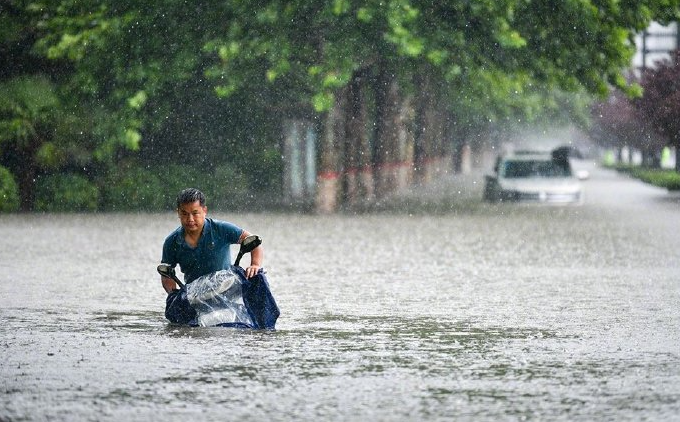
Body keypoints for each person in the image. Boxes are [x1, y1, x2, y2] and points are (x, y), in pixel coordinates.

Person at [160, 188, 263, 294]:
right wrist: (174, 294)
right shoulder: (171, 242)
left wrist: (255, 264)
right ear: (178, 213)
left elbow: (255, 242)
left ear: (204, 211)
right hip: (196, 297)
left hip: (226, 289)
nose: (190, 219)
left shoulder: (222, 229)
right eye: (185, 214)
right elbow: (166, 274)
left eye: (195, 213)